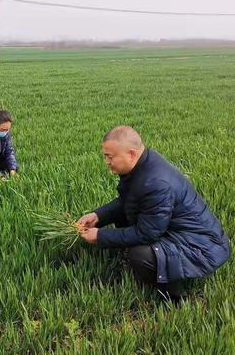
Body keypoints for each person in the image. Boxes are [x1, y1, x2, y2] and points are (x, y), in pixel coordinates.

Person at [77, 126, 231, 302]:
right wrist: (98, 216)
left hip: (202, 246)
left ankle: (173, 296)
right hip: (179, 231)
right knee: (128, 218)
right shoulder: (144, 164)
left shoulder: (156, 183)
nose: (106, 161)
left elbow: (147, 233)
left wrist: (100, 236)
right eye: (105, 156)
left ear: (131, 154)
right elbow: (129, 201)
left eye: (109, 157)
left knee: (140, 254)